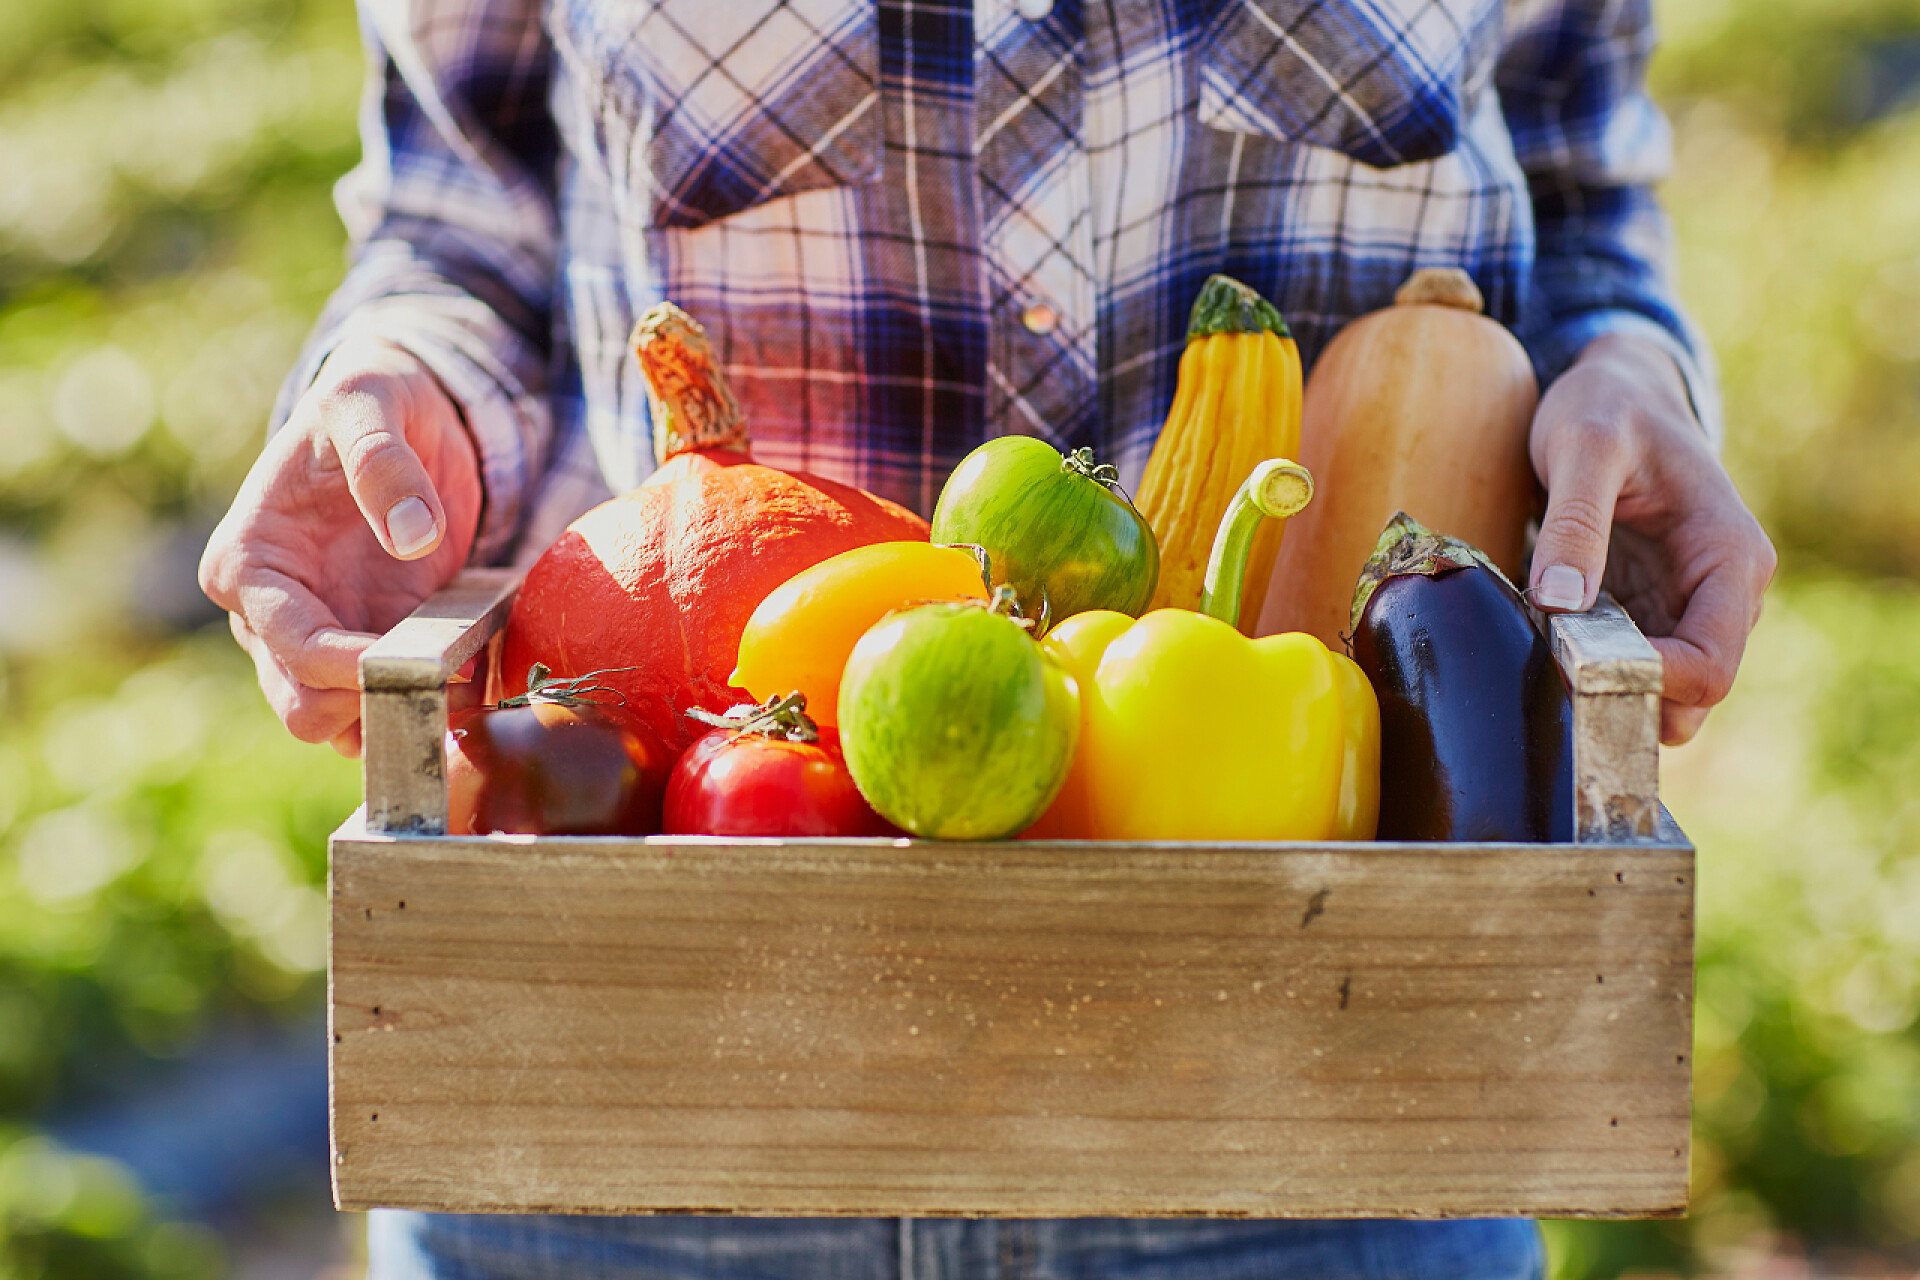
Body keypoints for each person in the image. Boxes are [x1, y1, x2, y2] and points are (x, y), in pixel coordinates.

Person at [201, 1, 1774, 1275]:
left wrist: (1627, 366)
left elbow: (1577, 204)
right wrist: (407, 378)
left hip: (1318, 1100)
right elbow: (461, 223)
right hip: (642, 1089)